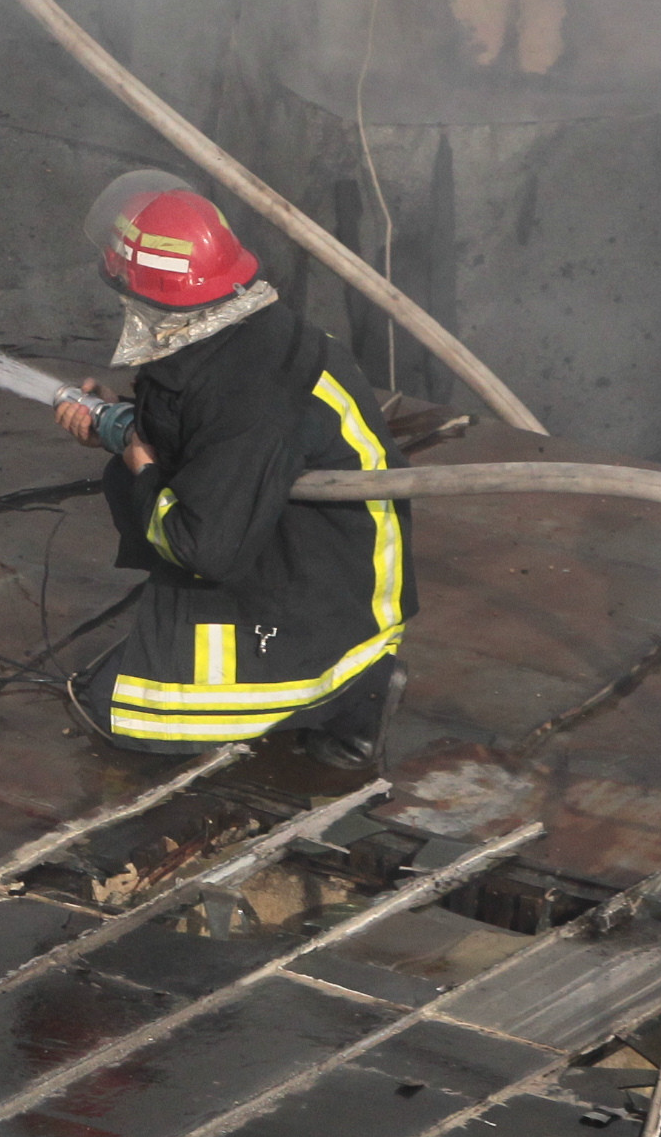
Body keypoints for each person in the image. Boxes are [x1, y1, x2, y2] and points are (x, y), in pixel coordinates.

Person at [53, 177, 412, 765]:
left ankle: (353, 690)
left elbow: (204, 548)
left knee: (121, 713)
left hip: (320, 590)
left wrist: (139, 464)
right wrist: (125, 421)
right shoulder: (234, 331)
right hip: (301, 548)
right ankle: (353, 683)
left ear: (150, 290)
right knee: (125, 677)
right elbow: (208, 439)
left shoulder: (248, 397)